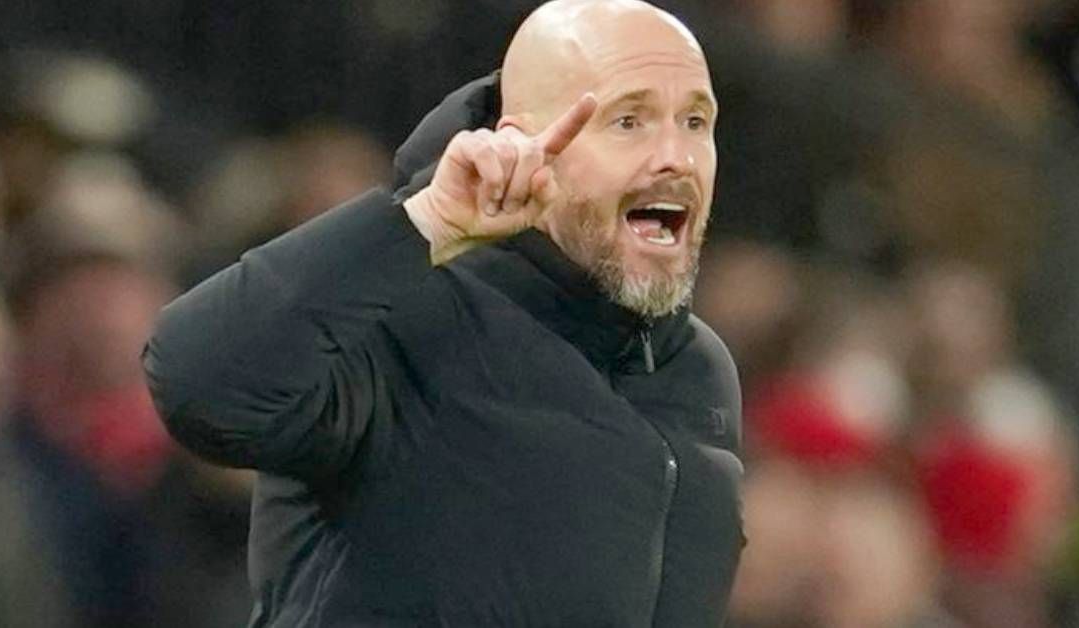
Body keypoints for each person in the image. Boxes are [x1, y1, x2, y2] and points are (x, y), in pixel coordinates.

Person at [144, 0, 744, 625]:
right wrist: (423, 222)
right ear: (523, 143)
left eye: (695, 121)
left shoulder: (698, 369)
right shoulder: (396, 305)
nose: (677, 157)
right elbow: (199, 386)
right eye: (628, 121)